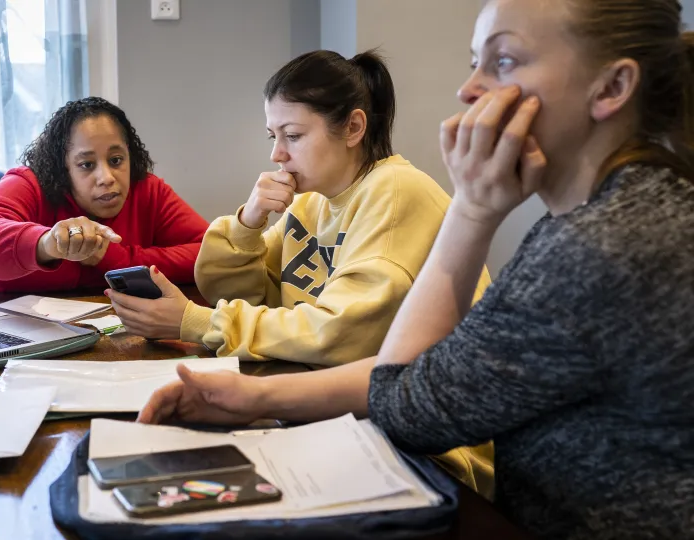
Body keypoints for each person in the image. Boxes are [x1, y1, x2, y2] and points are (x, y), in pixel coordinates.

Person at [137, 1, 694, 539]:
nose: (469, 89)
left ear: (613, 88)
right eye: (473, 60)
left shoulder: (603, 247)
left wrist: (474, 207)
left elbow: (408, 405)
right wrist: (247, 392)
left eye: (502, 61)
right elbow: (411, 381)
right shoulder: (602, 220)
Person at [108, 50, 495, 498]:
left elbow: (338, 334)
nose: (277, 153)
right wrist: (249, 224)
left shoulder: (394, 192)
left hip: (429, 447)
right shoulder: (314, 200)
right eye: (273, 135)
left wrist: (194, 323)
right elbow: (234, 293)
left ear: (353, 128)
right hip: (341, 408)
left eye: (293, 135)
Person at [0, 97, 208, 294]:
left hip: (86, 335)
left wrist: (117, 258)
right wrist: (49, 242)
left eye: (116, 160)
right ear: (63, 167)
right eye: (87, 165)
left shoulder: (148, 190)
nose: (107, 177)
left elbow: (213, 254)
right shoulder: (28, 183)